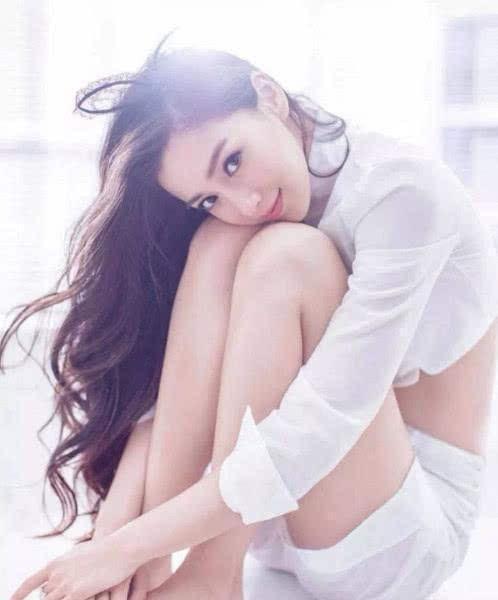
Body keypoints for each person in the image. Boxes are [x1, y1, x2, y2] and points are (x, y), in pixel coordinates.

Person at [5, 28, 498, 600]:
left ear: (268, 94)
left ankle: (211, 574)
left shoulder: (400, 191)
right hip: (270, 517)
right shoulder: (243, 223)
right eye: (208, 196)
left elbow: (325, 420)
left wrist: (126, 545)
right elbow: (178, 395)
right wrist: (115, 543)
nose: (244, 201)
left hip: (396, 529)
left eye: (233, 161)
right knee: (220, 241)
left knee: (288, 254)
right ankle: (164, 574)